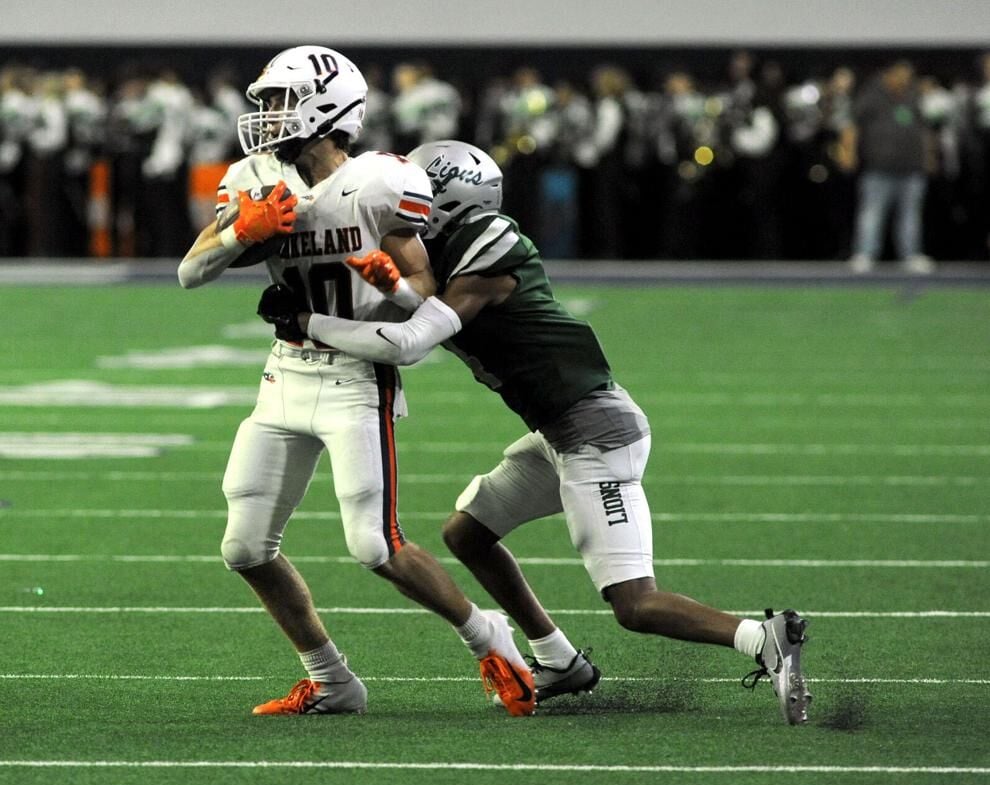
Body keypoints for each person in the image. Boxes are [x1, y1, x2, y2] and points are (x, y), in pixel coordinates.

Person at [276, 139, 813, 725]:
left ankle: (761, 637)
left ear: (449, 197)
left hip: (595, 432)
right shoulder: (447, 255)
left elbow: (410, 342)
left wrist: (305, 322)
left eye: (416, 193)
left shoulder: (489, 246)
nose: (401, 205)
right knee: (467, 532)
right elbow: (417, 300)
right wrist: (391, 284)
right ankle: (557, 660)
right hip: (560, 431)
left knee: (635, 603)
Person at [176, 48, 535, 717]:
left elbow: (421, 292)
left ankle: (490, 638)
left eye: (283, 100)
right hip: (283, 375)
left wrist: (387, 281)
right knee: (245, 547)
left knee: (376, 545)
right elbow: (190, 272)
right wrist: (236, 236)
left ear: (327, 106)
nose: (268, 116)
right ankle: (333, 680)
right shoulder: (254, 176)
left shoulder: (378, 183)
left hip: (355, 378)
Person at [839, 59, 935, 274]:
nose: (905, 80)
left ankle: (911, 254)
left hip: (911, 166)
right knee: (872, 212)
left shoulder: (912, 95)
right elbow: (852, 126)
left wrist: (929, 156)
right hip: (878, 167)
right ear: (888, 74)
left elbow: (923, 129)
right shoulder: (871, 95)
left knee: (911, 213)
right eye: (901, 75)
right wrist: (848, 152)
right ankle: (865, 253)